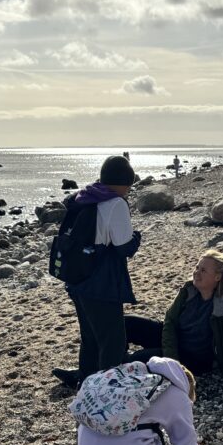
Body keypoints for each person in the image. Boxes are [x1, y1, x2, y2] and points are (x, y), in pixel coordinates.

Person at [51, 156, 141, 389]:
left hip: (77, 275)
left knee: (90, 335)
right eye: (128, 185)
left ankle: (86, 380)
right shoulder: (115, 203)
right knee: (112, 341)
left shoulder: (85, 196)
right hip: (101, 281)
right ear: (122, 182)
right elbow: (122, 247)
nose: (129, 190)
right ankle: (105, 391)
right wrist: (137, 239)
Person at [125, 250, 223, 376]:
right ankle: (110, 361)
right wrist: (171, 357)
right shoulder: (188, 291)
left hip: (196, 358)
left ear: (218, 277)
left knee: (136, 359)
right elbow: (170, 322)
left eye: (203, 270)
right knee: (127, 323)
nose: (197, 273)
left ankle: (115, 372)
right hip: (176, 343)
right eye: (197, 267)